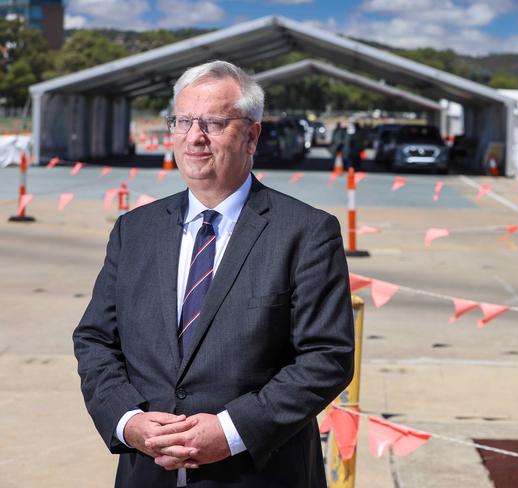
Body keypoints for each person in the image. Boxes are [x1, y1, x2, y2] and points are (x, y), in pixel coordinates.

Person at [73, 60, 355, 488]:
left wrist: (230, 431)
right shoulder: (134, 230)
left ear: (252, 135)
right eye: (183, 121)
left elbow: (326, 358)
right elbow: (95, 340)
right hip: (147, 473)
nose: (194, 138)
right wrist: (128, 421)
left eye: (214, 123)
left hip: (259, 475)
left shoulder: (306, 232)